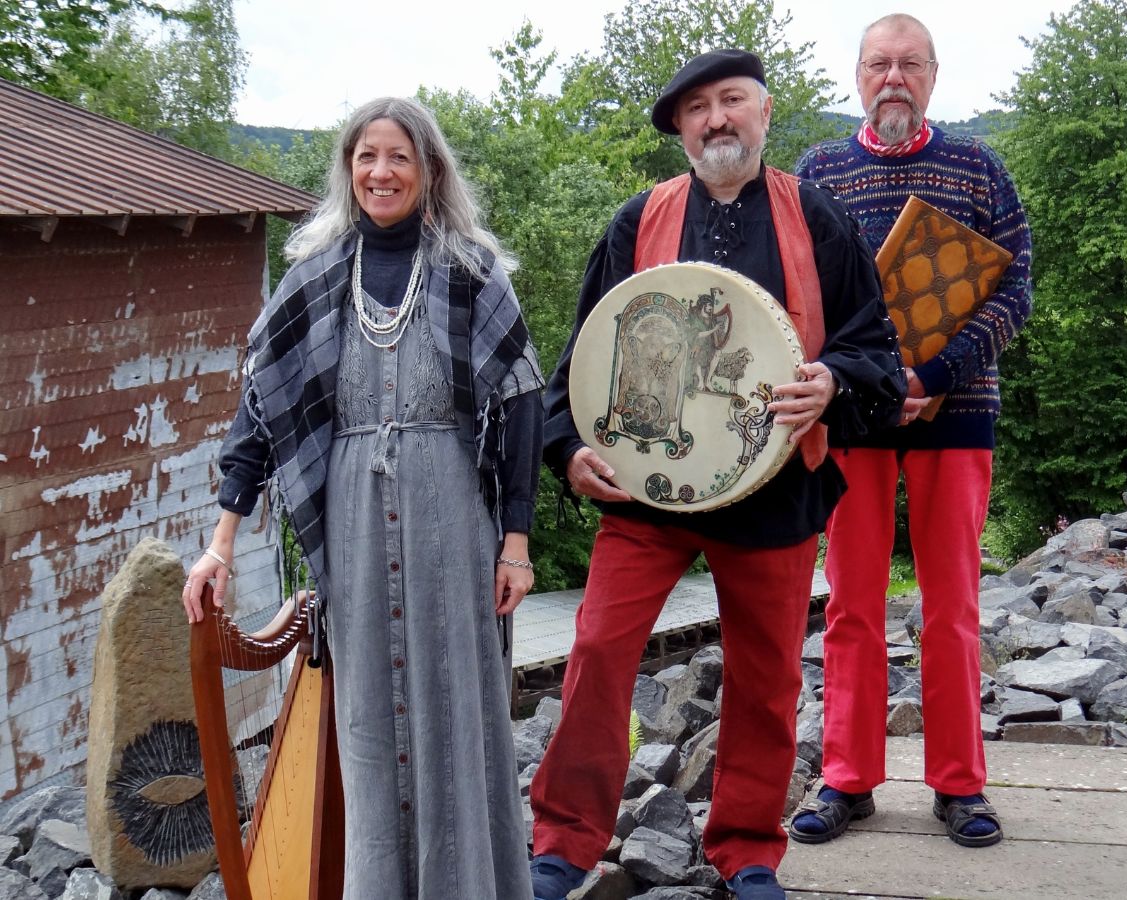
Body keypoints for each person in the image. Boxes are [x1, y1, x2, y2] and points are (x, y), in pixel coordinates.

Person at [529, 49, 906, 900]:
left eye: (732, 101)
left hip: (774, 489)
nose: (716, 120)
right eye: (697, 109)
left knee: (767, 677)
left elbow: (875, 350)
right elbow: (582, 364)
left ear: (765, 113)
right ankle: (563, 846)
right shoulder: (637, 222)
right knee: (593, 649)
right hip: (649, 491)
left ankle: (746, 851)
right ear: (682, 133)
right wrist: (569, 451)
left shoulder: (819, 218)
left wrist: (834, 380)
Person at [181, 97, 544, 899]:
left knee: (459, 705)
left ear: (429, 170)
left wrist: (515, 543)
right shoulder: (313, 278)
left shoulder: (470, 270)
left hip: (452, 511)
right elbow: (259, 417)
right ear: (349, 171)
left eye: (399, 157)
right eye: (365, 157)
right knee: (368, 721)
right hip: (348, 520)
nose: (381, 171)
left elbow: (521, 404)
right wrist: (220, 543)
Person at [791, 13, 1032, 849]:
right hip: (852, 418)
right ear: (857, 76)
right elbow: (799, 295)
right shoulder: (815, 172)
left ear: (933, 74)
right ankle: (847, 779)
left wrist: (936, 377)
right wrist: (859, 381)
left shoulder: (979, 166)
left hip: (957, 414)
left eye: (909, 64)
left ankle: (960, 784)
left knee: (953, 609)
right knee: (852, 605)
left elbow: (1015, 289)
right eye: (878, 64)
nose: (893, 77)